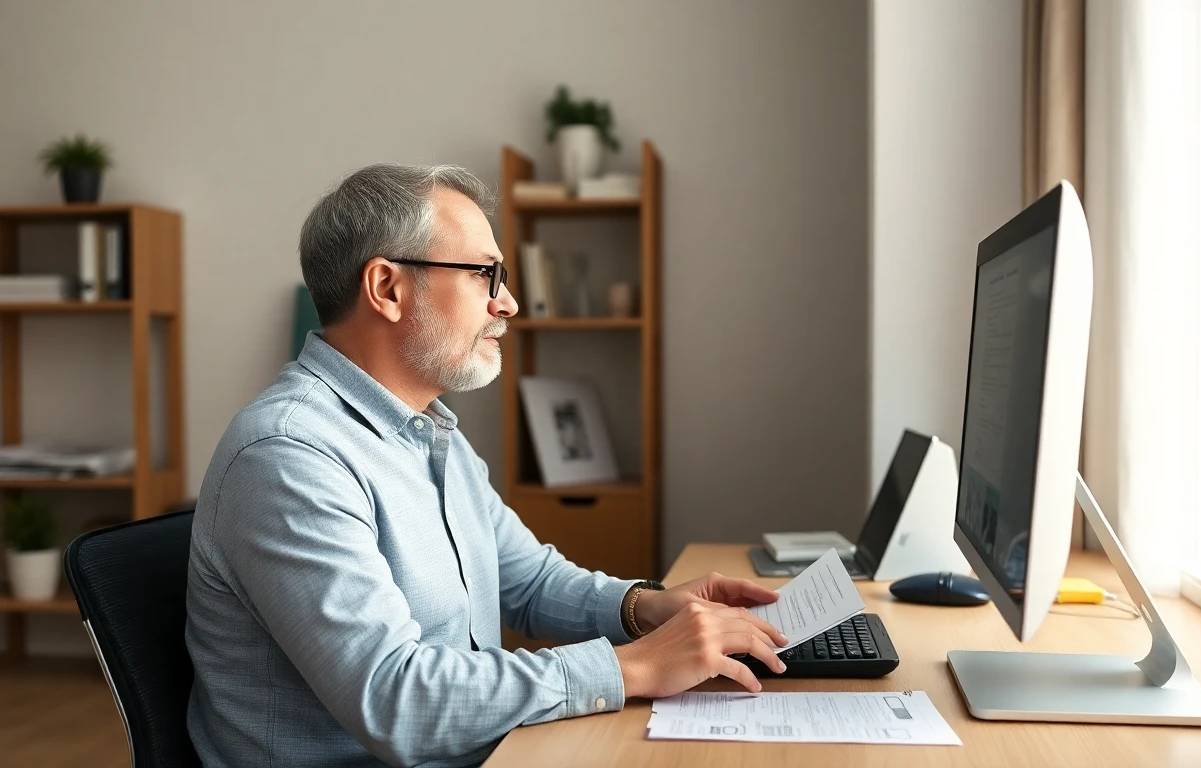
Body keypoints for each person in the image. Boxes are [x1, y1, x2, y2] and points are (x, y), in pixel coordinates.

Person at [184, 164, 789, 768]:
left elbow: (526, 581)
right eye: (483, 274)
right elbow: (396, 699)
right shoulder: (289, 456)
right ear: (387, 289)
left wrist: (645, 607)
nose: (509, 302)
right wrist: (638, 665)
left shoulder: (429, 432)